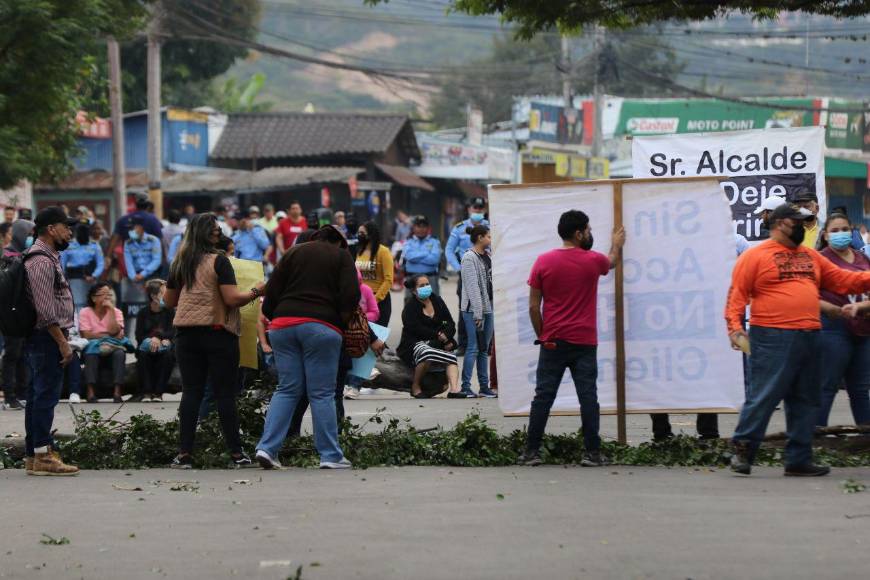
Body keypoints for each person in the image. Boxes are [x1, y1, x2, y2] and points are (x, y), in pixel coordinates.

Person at [725, 204, 870, 477]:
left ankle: (798, 459)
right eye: (798, 222)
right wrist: (734, 327)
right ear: (780, 223)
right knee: (764, 395)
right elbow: (737, 295)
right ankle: (742, 451)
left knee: (806, 398)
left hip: (811, 334)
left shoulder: (811, 257)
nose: (803, 227)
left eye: (805, 222)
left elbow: (844, 281)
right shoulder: (755, 256)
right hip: (771, 334)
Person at [518, 210, 625, 467]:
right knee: (588, 397)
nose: (589, 234)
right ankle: (592, 453)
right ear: (578, 234)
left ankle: (531, 452)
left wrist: (543, 335)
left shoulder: (543, 261)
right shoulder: (592, 261)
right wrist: (616, 244)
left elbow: (533, 307)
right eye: (588, 230)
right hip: (584, 342)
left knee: (543, 396)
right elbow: (611, 262)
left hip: (553, 340)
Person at [163, 213, 264, 469]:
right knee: (225, 395)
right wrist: (257, 291)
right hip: (218, 334)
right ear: (213, 235)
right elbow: (231, 299)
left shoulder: (180, 262)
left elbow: (169, 301)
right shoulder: (220, 262)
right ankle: (236, 454)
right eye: (217, 231)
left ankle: (184, 454)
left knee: (192, 393)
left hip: (186, 336)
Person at [255, 225, 360, 470]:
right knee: (322, 393)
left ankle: (267, 448)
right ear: (338, 242)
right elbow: (350, 295)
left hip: (282, 326)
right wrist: (340, 322)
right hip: (321, 327)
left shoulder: (293, 252)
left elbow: (273, 288)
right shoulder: (341, 256)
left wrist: (274, 315)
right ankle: (330, 455)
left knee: (287, 389)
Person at [23, 207, 79, 475]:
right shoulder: (41, 262)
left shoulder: (49, 257)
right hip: (46, 339)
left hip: (44, 338)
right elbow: (46, 312)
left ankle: (34, 454)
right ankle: (43, 454)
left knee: (38, 396)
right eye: (66, 226)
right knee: (44, 396)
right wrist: (62, 342)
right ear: (50, 229)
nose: (70, 232)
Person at [815, 213, 870, 426]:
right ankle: (816, 439)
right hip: (832, 328)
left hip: (863, 328)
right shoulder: (819, 259)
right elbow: (807, 294)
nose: (841, 234)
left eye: (845, 229)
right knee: (826, 387)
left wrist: (861, 307)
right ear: (826, 236)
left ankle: (865, 440)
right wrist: (830, 309)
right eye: (835, 231)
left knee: (860, 389)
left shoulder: (862, 258)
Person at [397, 274, 463, 398]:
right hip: (414, 344)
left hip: (437, 342)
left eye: (427, 284)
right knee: (426, 352)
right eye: (422, 286)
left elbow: (449, 323)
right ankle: (416, 387)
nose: (426, 287)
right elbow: (415, 329)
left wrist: (446, 336)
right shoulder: (410, 307)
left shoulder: (437, 301)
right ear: (414, 291)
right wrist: (438, 336)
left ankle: (454, 390)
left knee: (451, 357)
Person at [446, 196, 489, 352]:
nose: (477, 211)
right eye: (474, 208)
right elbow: (449, 250)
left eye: (480, 209)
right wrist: (458, 268)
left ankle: (486, 345)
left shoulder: (490, 228)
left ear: (484, 210)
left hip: (486, 275)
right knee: (465, 309)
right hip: (465, 275)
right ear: (469, 209)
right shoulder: (459, 228)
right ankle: (463, 345)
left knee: (486, 308)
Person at [1, 218, 35, 410]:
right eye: (29, 234)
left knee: (23, 353)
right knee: (12, 354)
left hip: (23, 312)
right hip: (9, 312)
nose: (31, 238)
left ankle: (22, 392)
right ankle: (9, 395)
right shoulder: (7, 256)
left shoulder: (26, 254)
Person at [459, 225, 497, 398]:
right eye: (488, 236)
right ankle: (465, 386)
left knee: (484, 348)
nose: (490, 240)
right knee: (473, 347)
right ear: (480, 238)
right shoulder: (469, 258)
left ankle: (484, 386)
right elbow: (472, 287)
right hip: (474, 310)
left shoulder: (487, 256)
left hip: (488, 308)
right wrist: (477, 313)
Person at [78, 282, 127, 403]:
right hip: (92, 348)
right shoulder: (85, 312)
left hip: (113, 347)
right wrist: (108, 335)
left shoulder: (116, 312)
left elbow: (115, 331)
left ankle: (117, 391)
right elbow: (86, 334)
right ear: (94, 298)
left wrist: (110, 310)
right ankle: (90, 392)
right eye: (103, 294)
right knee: (90, 353)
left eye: (109, 295)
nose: (107, 297)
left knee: (120, 353)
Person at [134, 279, 175, 403]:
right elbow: (139, 335)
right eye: (163, 293)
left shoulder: (169, 311)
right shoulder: (143, 313)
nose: (166, 296)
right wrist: (151, 340)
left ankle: (158, 393)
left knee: (167, 356)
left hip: (165, 345)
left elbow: (173, 331)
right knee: (143, 355)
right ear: (153, 296)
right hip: (147, 346)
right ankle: (146, 392)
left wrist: (160, 338)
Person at [355, 221, 394, 327]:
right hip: (361, 299)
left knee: (378, 338)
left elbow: (388, 280)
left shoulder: (383, 252)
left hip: (379, 299)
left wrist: (375, 299)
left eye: (362, 233)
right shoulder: (359, 251)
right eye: (358, 233)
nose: (359, 235)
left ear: (371, 234)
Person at [403, 215, 442, 297]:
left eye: (424, 226)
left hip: (430, 278)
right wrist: (426, 253)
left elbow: (435, 259)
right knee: (410, 307)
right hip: (412, 278)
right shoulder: (408, 241)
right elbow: (409, 256)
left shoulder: (434, 241)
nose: (421, 229)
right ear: (414, 228)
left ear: (428, 228)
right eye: (418, 226)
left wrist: (416, 256)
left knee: (432, 305)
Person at [124, 216, 162, 283]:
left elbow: (156, 260)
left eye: (132, 228)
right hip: (135, 276)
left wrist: (143, 274)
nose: (130, 231)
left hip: (152, 275)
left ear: (141, 228)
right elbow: (128, 262)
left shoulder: (153, 240)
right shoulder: (128, 243)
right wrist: (133, 277)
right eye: (129, 229)